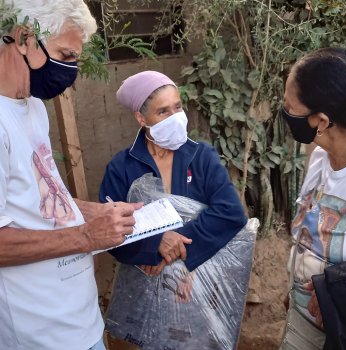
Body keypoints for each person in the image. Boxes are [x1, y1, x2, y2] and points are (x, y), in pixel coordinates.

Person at [0, 1, 142, 349]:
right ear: (23, 39)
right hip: (39, 336)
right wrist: (86, 237)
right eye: (65, 54)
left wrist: (97, 213)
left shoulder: (32, 107)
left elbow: (43, 197)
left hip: (80, 322)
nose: (71, 69)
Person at [99, 70, 248, 275]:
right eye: (163, 112)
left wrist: (174, 246)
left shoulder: (202, 157)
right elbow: (109, 230)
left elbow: (231, 213)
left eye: (178, 107)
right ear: (141, 118)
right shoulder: (121, 168)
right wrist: (154, 244)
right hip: (144, 282)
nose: (175, 118)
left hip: (202, 277)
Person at [279, 47, 346, 349]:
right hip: (302, 320)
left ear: (321, 121)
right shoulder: (319, 158)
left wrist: (335, 294)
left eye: (288, 105)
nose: (285, 113)